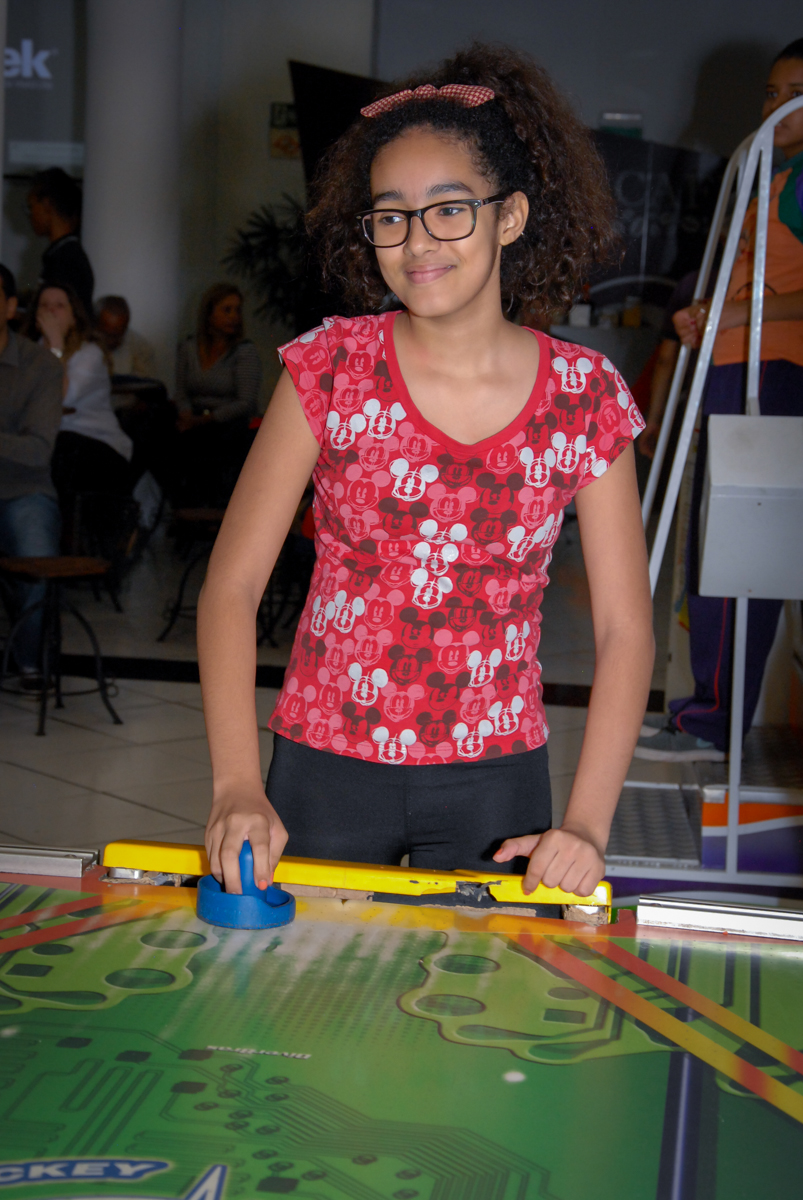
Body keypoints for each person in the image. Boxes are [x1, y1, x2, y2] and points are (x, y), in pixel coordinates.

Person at [199, 45, 654, 898]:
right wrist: (234, 785)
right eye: (390, 216)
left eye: (448, 210)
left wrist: (586, 823)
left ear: (509, 216)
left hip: (494, 774)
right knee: (310, 1005)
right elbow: (231, 587)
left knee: (474, 1015)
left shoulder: (585, 399)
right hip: (324, 761)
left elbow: (626, 631)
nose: (416, 243)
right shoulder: (328, 371)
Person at [636, 39, 803, 762]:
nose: (777, 109)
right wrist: (705, 317)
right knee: (722, 548)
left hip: (773, 375)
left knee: (738, 551)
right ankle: (708, 712)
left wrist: (736, 319)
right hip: (737, 368)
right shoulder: (769, 174)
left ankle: (711, 720)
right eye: (770, 95)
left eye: (794, 94)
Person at [24, 284, 133, 548]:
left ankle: (58, 548)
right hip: (53, 444)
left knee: (60, 448)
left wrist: (57, 345)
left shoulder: (89, 354)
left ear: (74, 316)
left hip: (99, 448)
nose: (51, 312)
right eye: (44, 305)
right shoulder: (27, 352)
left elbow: (60, 398)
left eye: (59, 305)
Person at [0, 265, 63, 685]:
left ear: (8, 307)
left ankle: (27, 661)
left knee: (35, 546)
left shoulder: (39, 364)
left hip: (22, 489)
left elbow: (38, 451)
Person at [174, 284, 261, 506]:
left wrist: (206, 419)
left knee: (216, 441)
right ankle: (180, 506)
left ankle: (215, 508)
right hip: (193, 416)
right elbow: (181, 391)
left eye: (238, 310)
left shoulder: (244, 351)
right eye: (227, 310)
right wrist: (186, 414)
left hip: (226, 420)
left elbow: (246, 402)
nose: (234, 317)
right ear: (209, 313)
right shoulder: (189, 347)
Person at [27, 168, 94, 317]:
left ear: (46, 205)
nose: (30, 216)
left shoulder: (65, 260)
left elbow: (55, 318)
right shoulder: (65, 253)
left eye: (31, 208)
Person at [94, 295, 157, 379]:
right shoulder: (80, 344)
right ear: (94, 324)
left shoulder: (141, 349)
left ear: (126, 327)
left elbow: (145, 387)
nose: (111, 341)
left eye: (116, 336)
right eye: (107, 335)